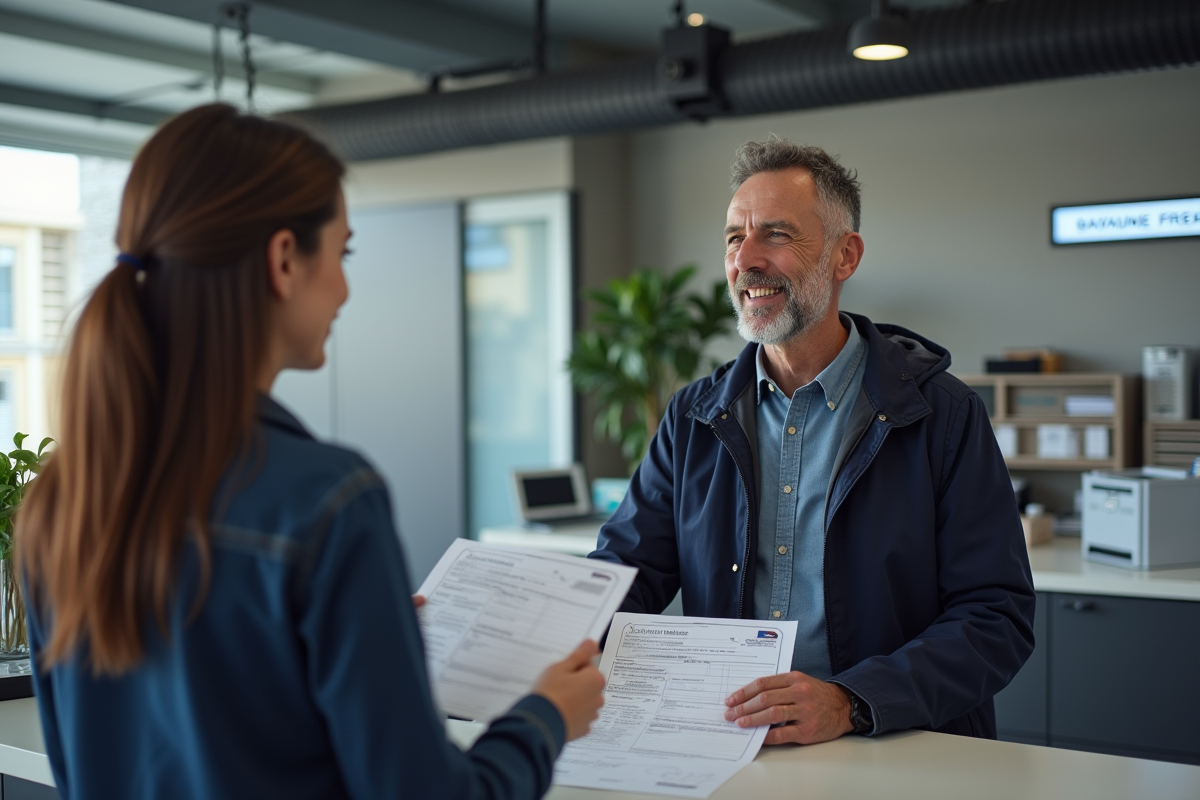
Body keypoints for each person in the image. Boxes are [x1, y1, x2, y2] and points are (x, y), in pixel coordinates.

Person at [17, 103, 605, 800]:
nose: (346, 287)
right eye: (343, 253)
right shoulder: (327, 501)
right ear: (284, 259)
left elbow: (87, 762)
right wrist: (543, 719)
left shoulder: (58, 501)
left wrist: (355, 630)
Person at [589, 136, 1035, 745]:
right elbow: (628, 571)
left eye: (775, 234)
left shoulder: (943, 413)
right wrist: (546, 628)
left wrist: (851, 702)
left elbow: (995, 617)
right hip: (730, 741)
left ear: (844, 255)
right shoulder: (693, 417)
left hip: (893, 743)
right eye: (732, 238)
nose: (746, 259)